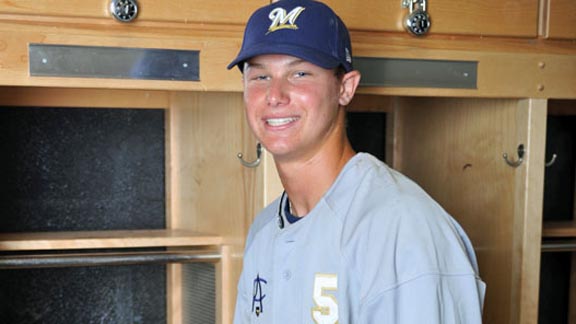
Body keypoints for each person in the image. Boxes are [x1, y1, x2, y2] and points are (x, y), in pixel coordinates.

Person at [227, 0, 486, 323]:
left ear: (345, 88)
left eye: (300, 73)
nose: (275, 95)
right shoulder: (264, 231)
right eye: (260, 77)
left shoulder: (404, 229)